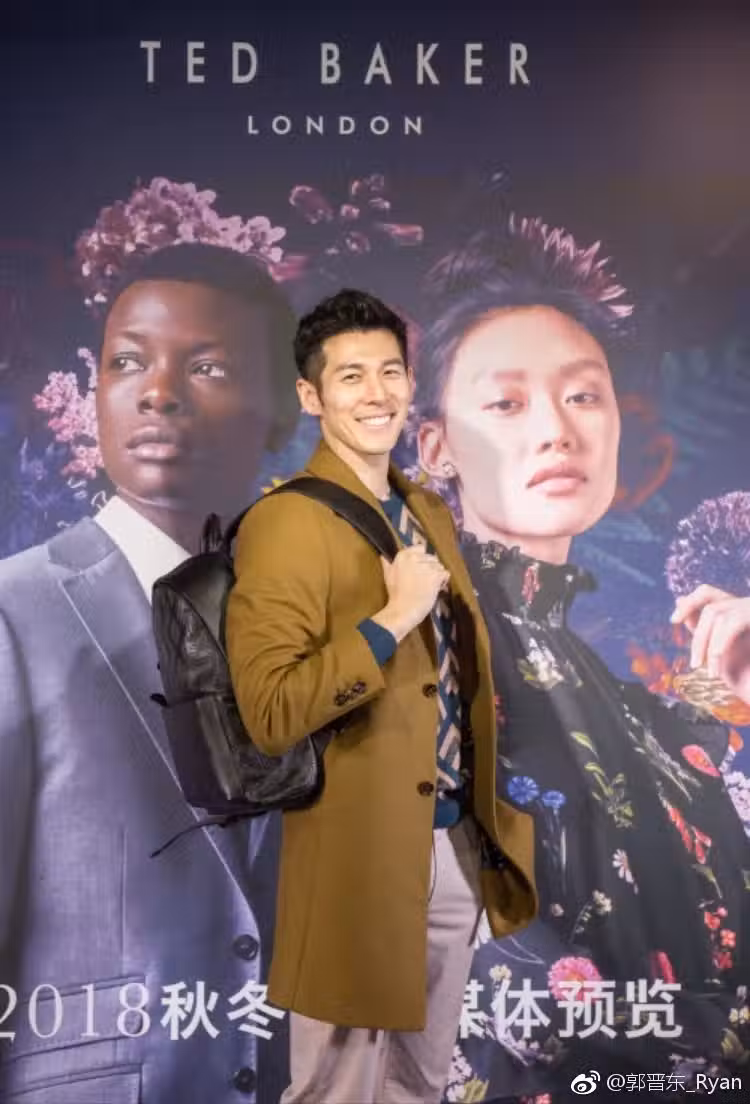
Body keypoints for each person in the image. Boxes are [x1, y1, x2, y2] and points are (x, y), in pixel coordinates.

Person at [413, 218, 750, 1099]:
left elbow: (658, 769)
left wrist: (729, 690)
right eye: (507, 404)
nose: (557, 430)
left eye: (583, 396)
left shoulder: (574, 661)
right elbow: (514, 989)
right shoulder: (415, 656)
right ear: (436, 447)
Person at [0, 242, 298, 1104]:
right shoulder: (13, 616)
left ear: (282, 411)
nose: (157, 392)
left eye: (207, 367)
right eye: (127, 362)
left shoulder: (331, 631)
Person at [225, 288, 537, 1104]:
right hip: (353, 856)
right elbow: (272, 711)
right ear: (310, 396)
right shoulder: (285, 522)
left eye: (390, 372)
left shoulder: (426, 509)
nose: (377, 394)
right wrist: (392, 619)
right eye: (351, 375)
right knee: (336, 1089)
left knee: (420, 1087)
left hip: (451, 844)